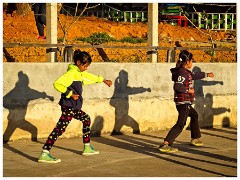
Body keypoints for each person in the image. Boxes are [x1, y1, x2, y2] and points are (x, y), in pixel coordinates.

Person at [38, 49, 112, 163]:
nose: (86, 68)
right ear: (78, 63)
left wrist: (102, 80)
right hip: (68, 106)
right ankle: (45, 153)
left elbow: (89, 76)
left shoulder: (79, 73)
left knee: (86, 119)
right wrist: (70, 94)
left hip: (73, 107)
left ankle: (87, 147)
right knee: (59, 129)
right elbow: (57, 84)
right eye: (85, 66)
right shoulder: (71, 73)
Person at [159, 50, 214, 153]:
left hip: (185, 102)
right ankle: (166, 144)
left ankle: (195, 138)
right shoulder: (182, 73)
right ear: (187, 61)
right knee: (180, 124)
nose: (192, 63)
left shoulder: (185, 72)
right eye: (192, 60)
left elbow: (194, 76)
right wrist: (188, 90)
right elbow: (177, 86)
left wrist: (206, 74)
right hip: (183, 102)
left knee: (194, 115)